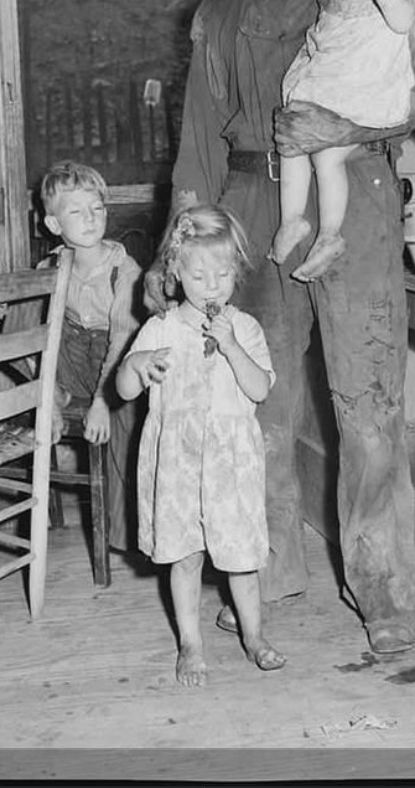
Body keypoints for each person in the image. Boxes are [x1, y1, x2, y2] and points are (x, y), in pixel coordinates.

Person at [146, 0, 415, 656]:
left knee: (368, 402)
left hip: (356, 195)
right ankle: (262, 573)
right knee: (256, 406)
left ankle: (385, 592)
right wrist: (175, 249)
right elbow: (198, 146)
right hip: (251, 210)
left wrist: (340, 126)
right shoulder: (219, 10)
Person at [116, 204, 285, 687]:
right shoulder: (160, 329)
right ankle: (190, 644)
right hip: (179, 463)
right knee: (185, 556)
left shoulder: (244, 328)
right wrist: (137, 365)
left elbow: (260, 389)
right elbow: (123, 390)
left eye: (223, 274)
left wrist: (231, 346)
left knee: (241, 560)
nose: (212, 286)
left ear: (236, 271)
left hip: (231, 464)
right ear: (174, 271)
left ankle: (254, 636)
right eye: (198, 275)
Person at [272, 0, 415, 282]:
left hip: (361, 84)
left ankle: (322, 231)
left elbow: (404, 20)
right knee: (300, 146)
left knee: (320, 152)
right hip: (331, 74)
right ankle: (300, 223)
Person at [40, 160, 142, 552]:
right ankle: (53, 396)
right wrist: (47, 396)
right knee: (31, 318)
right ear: (54, 224)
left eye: (97, 208)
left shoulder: (123, 269)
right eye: (76, 211)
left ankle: (126, 533)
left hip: (113, 367)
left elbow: (122, 340)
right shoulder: (51, 266)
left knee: (124, 424)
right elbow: (38, 340)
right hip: (70, 364)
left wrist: (102, 401)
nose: (90, 218)